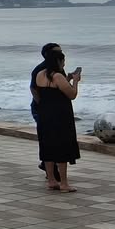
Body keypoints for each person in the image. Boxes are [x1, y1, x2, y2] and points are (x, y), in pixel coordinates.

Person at [35, 47, 81, 192]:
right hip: (60, 116)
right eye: (63, 61)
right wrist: (75, 81)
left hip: (44, 115)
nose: (64, 64)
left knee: (48, 146)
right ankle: (64, 184)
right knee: (62, 148)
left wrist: (67, 79)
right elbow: (71, 94)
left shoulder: (40, 74)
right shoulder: (57, 76)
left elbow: (51, 91)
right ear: (58, 61)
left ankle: (52, 180)